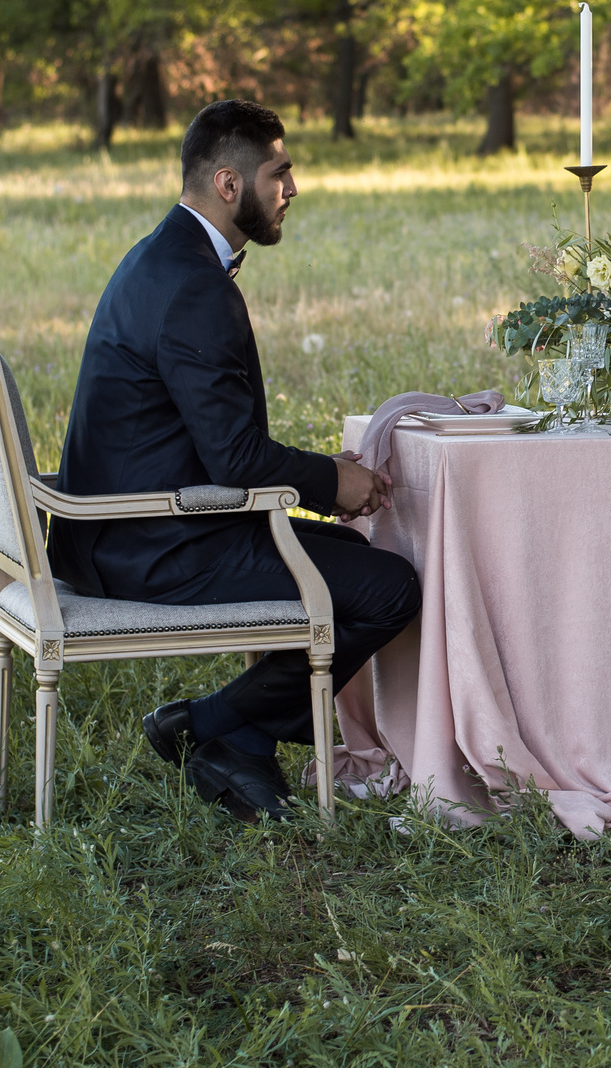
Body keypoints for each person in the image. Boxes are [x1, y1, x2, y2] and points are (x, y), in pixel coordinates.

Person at [53, 99, 419, 821]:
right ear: (229, 184)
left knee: (349, 558)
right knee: (389, 588)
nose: (292, 187)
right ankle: (214, 725)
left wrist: (327, 483)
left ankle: (232, 733)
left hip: (137, 523)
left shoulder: (164, 254)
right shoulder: (193, 286)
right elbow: (238, 456)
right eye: (280, 172)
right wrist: (333, 481)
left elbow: (218, 444)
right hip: (153, 541)